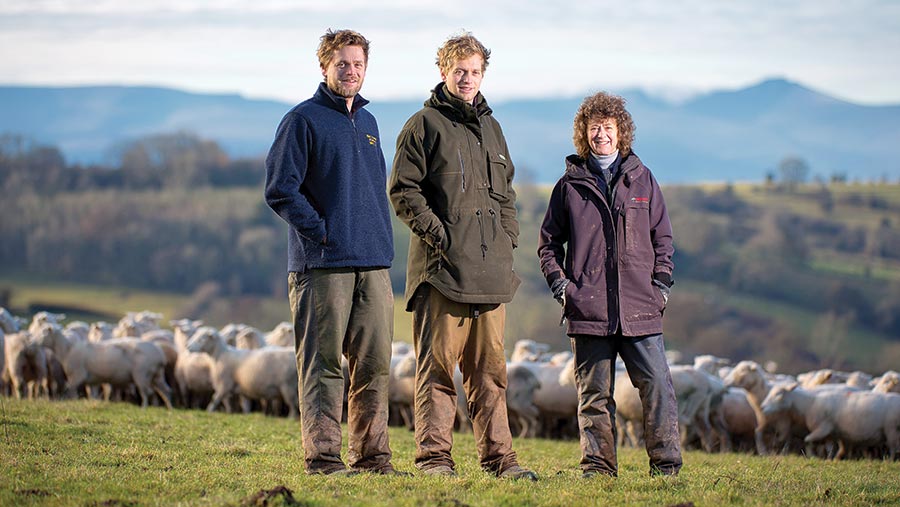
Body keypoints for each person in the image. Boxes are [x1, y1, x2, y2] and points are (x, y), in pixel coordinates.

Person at [389, 32, 537, 481]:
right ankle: (434, 460)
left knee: (490, 374)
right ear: (443, 72)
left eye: (474, 71)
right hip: (443, 274)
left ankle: (501, 461)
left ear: (483, 74)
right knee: (437, 371)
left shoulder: (493, 129)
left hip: (491, 275)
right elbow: (403, 190)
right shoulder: (423, 125)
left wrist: (508, 237)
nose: (467, 79)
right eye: (459, 71)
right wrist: (442, 237)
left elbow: (506, 194)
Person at [265, 29, 404, 476]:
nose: (351, 71)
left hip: (373, 263)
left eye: (358, 64)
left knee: (375, 366)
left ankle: (372, 459)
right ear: (324, 66)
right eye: (342, 63)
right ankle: (323, 459)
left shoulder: (370, 123)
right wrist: (322, 233)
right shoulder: (301, 120)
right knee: (323, 366)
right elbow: (280, 189)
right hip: (323, 266)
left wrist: (380, 241)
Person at [537, 91, 683, 478]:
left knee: (657, 388)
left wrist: (661, 285)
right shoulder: (569, 186)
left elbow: (663, 239)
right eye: (594, 127)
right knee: (594, 395)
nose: (601, 134)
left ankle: (666, 467)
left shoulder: (643, 179)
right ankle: (598, 469)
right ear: (583, 133)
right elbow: (548, 244)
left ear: (621, 132)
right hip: (588, 310)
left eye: (608, 126)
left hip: (641, 307)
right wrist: (563, 288)